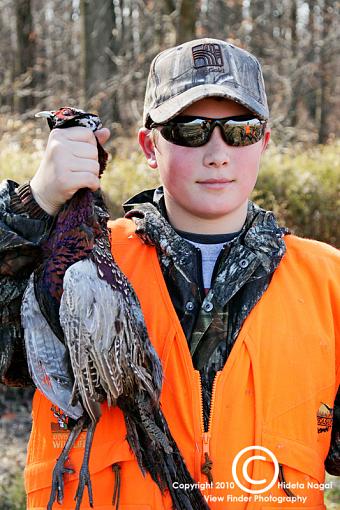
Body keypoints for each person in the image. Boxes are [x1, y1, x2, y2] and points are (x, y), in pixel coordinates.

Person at [0, 38, 339, 509]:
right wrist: (36, 203)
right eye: (189, 129)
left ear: (264, 141)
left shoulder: (329, 284)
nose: (218, 153)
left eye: (239, 130)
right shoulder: (77, 259)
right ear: (149, 145)